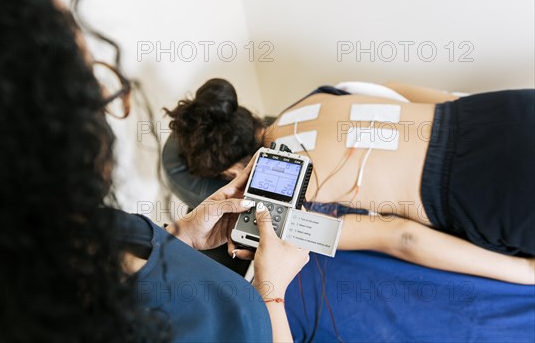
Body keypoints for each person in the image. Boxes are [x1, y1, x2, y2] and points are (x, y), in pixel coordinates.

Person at [0, 0, 309, 341]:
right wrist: (272, 291)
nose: (105, 96)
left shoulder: (75, 228)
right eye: (82, 78)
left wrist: (182, 236)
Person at [164, 79, 535, 284]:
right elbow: (432, 96)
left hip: (482, 191)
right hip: (501, 113)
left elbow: (401, 238)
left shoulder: (289, 203)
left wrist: (525, 272)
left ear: (228, 173)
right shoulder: (325, 92)